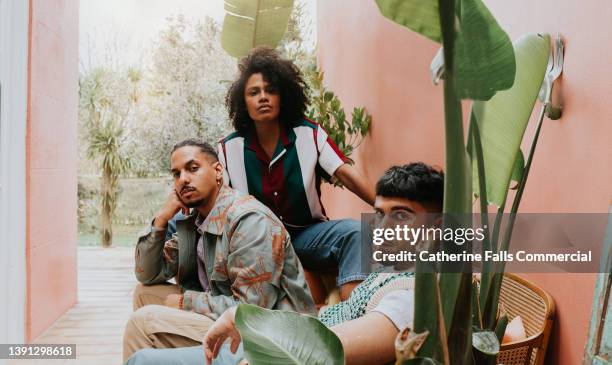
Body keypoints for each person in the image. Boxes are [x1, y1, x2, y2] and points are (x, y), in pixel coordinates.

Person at [124, 163, 444, 365]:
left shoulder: (413, 291)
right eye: (379, 214)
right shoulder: (393, 270)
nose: (383, 227)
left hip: (281, 353)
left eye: (401, 215)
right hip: (277, 339)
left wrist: (265, 339)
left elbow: (333, 348)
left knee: (143, 357)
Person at [122, 139, 316, 362]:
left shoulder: (249, 220)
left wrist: (185, 302)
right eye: (176, 174)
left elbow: (250, 309)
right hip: (223, 312)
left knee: (142, 323)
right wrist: (162, 219)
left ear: (217, 171)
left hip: (273, 336)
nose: (183, 179)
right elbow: (147, 274)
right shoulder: (195, 221)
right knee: (144, 293)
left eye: (192, 168)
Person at [218, 46, 375, 301]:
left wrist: (384, 207)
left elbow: (345, 173)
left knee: (357, 232)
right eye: (254, 92)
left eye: (271, 90)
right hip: (260, 243)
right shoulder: (228, 149)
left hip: (308, 235)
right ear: (243, 102)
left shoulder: (309, 134)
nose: (263, 97)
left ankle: (353, 312)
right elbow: (219, 203)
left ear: (283, 96)